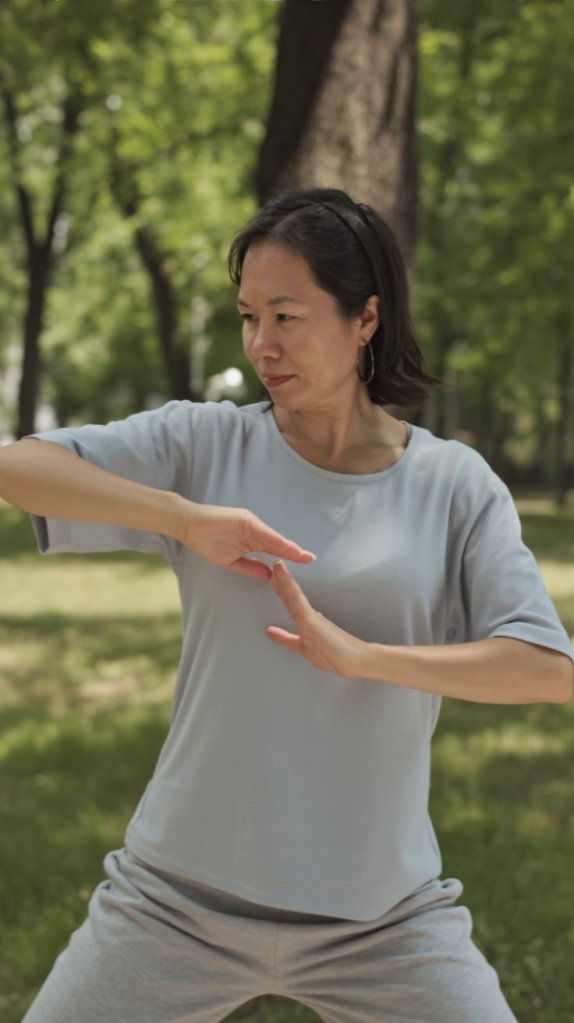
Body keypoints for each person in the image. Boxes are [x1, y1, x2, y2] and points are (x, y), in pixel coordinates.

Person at [1, 187, 572, 1023]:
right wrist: (183, 517)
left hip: (383, 915)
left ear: (365, 318)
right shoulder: (203, 445)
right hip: (176, 899)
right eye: (247, 317)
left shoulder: (453, 485)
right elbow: (18, 466)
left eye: (287, 315)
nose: (261, 344)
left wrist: (364, 658)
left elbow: (547, 667)